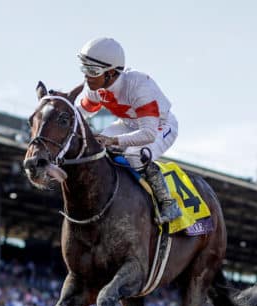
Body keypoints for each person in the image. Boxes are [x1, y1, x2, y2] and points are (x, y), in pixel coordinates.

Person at [76, 37, 181, 224]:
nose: (87, 76)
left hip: (160, 126)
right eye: (84, 68)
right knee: (94, 147)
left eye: (92, 71)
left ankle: (168, 203)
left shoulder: (138, 86)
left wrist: (114, 141)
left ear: (111, 73)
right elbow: (79, 114)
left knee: (135, 155)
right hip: (128, 124)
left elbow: (148, 133)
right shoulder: (95, 88)